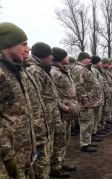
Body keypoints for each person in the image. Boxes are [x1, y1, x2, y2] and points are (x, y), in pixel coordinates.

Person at [26, 42, 70, 178]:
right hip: (43, 119)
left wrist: (61, 107)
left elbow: (50, 94)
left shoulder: (42, 69)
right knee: (43, 153)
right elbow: (36, 98)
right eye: (49, 54)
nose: (51, 57)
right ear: (43, 55)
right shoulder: (34, 70)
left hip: (50, 116)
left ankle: (57, 165)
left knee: (54, 145)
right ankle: (53, 168)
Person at [0, 22, 36, 179]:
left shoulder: (14, 69)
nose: (28, 49)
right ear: (8, 44)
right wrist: (7, 156)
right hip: (9, 155)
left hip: (22, 151)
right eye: (24, 44)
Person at [50, 47, 81, 176]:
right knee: (59, 140)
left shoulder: (63, 71)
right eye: (66, 56)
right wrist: (62, 106)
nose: (68, 58)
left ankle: (61, 162)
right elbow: (52, 93)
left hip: (68, 112)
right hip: (61, 113)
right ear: (60, 58)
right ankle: (56, 167)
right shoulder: (54, 72)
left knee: (65, 140)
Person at [71, 52, 103, 152]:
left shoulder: (84, 68)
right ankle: (84, 144)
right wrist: (84, 99)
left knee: (89, 122)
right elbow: (78, 85)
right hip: (86, 102)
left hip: (91, 100)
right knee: (86, 123)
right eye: (88, 58)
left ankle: (87, 141)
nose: (90, 60)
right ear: (83, 59)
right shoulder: (79, 69)